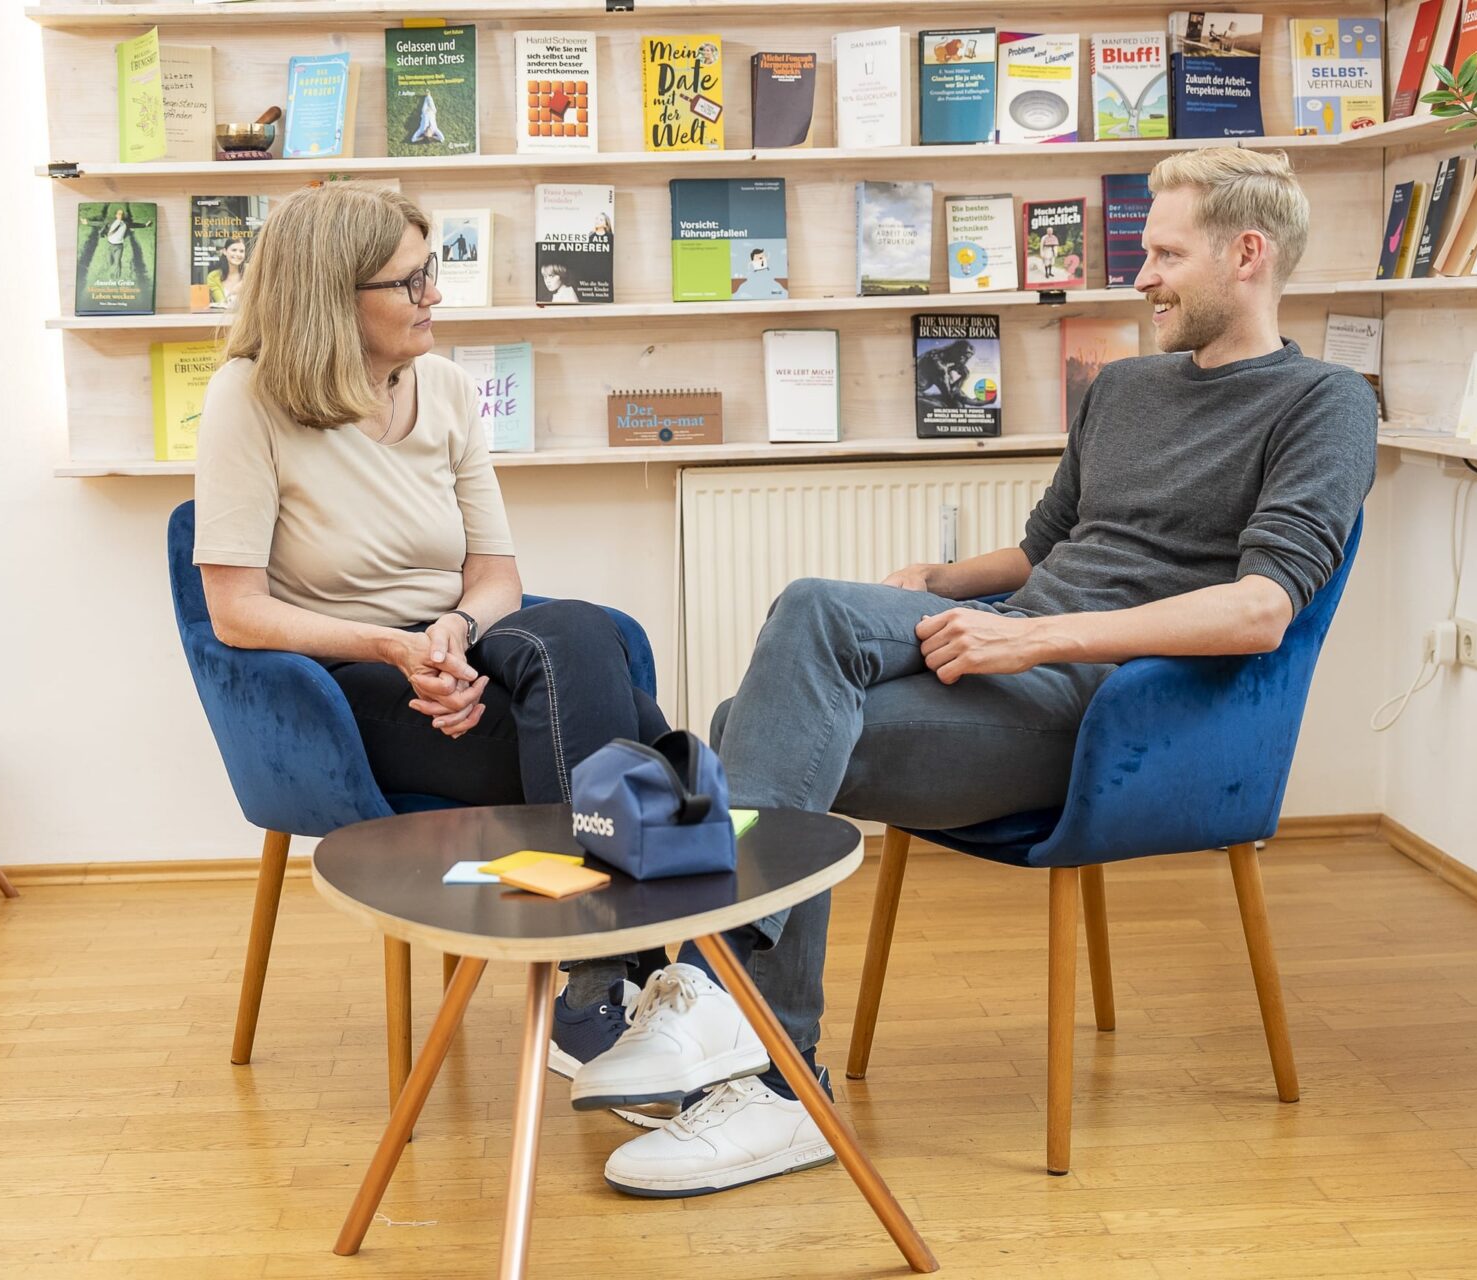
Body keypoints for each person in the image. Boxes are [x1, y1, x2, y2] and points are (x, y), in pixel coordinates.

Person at [569, 147, 1377, 1197]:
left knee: (750, 715)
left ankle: (763, 1063)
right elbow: (1046, 553)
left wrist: (1028, 639)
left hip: (1104, 718)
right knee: (811, 620)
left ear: (1249, 253)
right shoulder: (1123, 388)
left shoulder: (1322, 404)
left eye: (1166, 253)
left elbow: (1264, 610)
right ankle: (752, 1041)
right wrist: (942, 580)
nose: (1141, 277)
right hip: (1010, 654)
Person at [192, 184, 670, 1083]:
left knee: (572, 633)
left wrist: (450, 629)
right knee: (631, 733)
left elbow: (498, 580)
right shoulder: (246, 397)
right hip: (351, 683)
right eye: (410, 282)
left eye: (432, 272)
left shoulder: (446, 389)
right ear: (333, 298)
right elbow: (235, 611)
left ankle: (597, 980)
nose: (435, 297)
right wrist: (395, 648)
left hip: (455, 650)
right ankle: (630, 979)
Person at [205, 236, 248, 309]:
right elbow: (221, 304)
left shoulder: (251, 271)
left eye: (241, 251)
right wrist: (233, 292)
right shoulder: (213, 277)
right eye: (234, 250)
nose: (238, 254)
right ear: (225, 251)